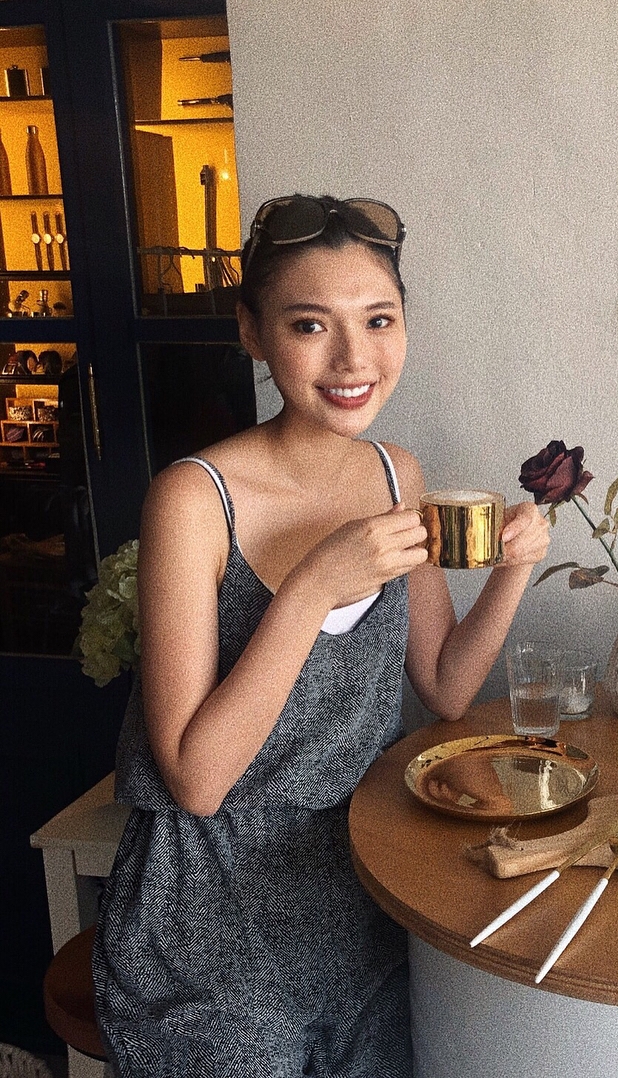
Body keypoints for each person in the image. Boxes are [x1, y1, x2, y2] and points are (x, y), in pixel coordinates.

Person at [92, 194, 550, 1076]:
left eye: (379, 320)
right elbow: (196, 781)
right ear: (252, 333)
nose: (353, 360)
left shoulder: (395, 473)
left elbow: (446, 686)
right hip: (207, 923)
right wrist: (311, 589)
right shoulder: (193, 500)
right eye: (310, 325)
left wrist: (514, 568)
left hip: (365, 890)